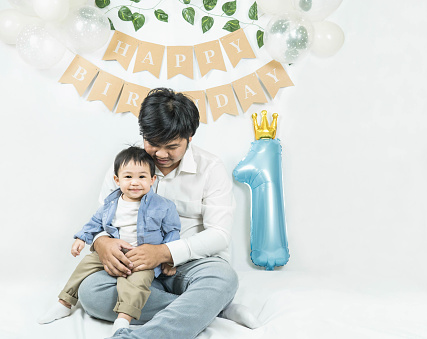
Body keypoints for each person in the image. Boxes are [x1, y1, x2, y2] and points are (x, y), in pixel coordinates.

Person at [77, 88, 261, 338]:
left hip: (190, 264)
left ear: (190, 137)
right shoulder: (126, 166)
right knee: (91, 293)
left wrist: (164, 252)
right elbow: (101, 217)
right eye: (153, 144)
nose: (161, 154)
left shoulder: (211, 168)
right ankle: (211, 307)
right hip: (133, 266)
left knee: (223, 278)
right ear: (143, 135)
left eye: (172, 146)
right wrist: (101, 242)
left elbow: (219, 235)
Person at [38, 146, 181, 334]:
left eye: (142, 177)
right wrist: (82, 238)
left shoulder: (163, 206)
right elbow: (95, 222)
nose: (135, 183)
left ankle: (123, 319)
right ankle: (64, 302)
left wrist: (168, 258)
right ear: (117, 180)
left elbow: (173, 232)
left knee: (136, 283)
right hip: (113, 253)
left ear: (152, 180)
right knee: (85, 265)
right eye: (128, 177)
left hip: (143, 257)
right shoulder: (111, 203)